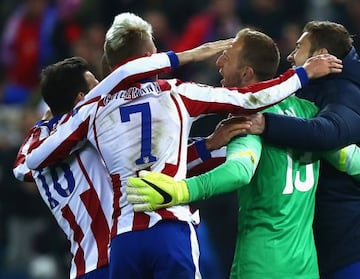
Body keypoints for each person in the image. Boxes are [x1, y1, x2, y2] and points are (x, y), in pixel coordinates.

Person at [24, 12, 341, 279]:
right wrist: (302, 74)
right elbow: (250, 98)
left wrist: (207, 146)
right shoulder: (176, 93)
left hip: (123, 240)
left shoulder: (92, 112)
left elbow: (35, 160)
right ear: (150, 58)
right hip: (170, 228)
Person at [125, 28, 360, 278]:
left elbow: (239, 172)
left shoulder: (252, 117)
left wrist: (181, 190)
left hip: (260, 264)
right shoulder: (308, 115)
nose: (218, 63)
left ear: (246, 74)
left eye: (226, 58)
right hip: (306, 267)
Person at [13, 39, 239, 278]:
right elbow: (151, 169)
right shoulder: (89, 138)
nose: (104, 91)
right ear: (81, 100)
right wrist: (207, 147)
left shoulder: (41, 148)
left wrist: (43, 124)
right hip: (117, 258)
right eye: (95, 87)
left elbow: (22, 167)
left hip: (83, 267)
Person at [232, 21, 360, 278]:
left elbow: (326, 133)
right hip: (322, 249)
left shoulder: (345, 92)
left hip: (357, 244)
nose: (290, 55)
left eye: (300, 47)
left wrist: (265, 123)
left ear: (321, 55)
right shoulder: (307, 93)